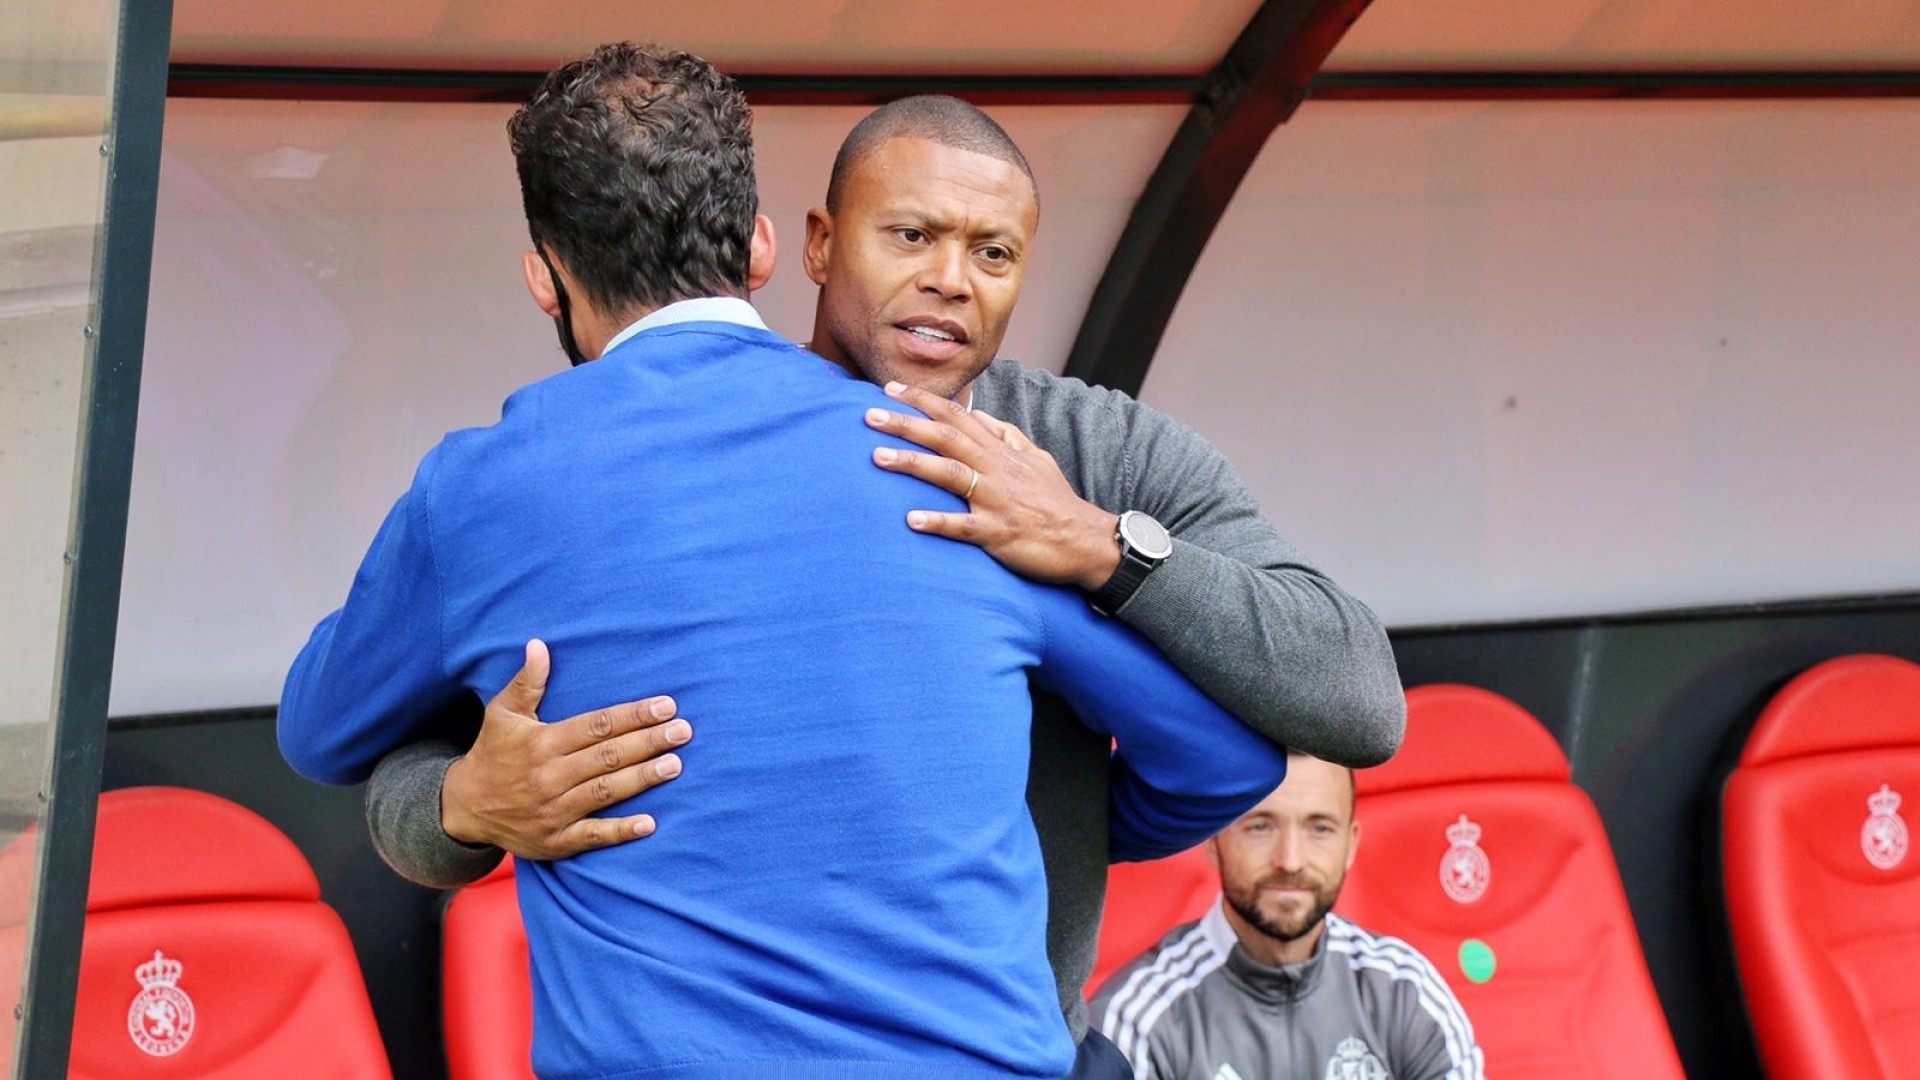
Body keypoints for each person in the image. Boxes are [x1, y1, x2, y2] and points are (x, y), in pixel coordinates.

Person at [278, 44, 1293, 1080]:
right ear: (765, 248)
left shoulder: (481, 492)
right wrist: (1015, 828)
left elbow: (321, 732)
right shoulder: (951, 466)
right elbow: (1227, 758)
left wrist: (468, 801)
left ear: (544, 275)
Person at [1090, 753, 1484, 1080]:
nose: (1290, 860)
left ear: (1350, 845)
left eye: (1320, 829)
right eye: (1260, 826)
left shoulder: (1406, 989)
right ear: (1214, 841)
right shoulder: (1138, 1019)